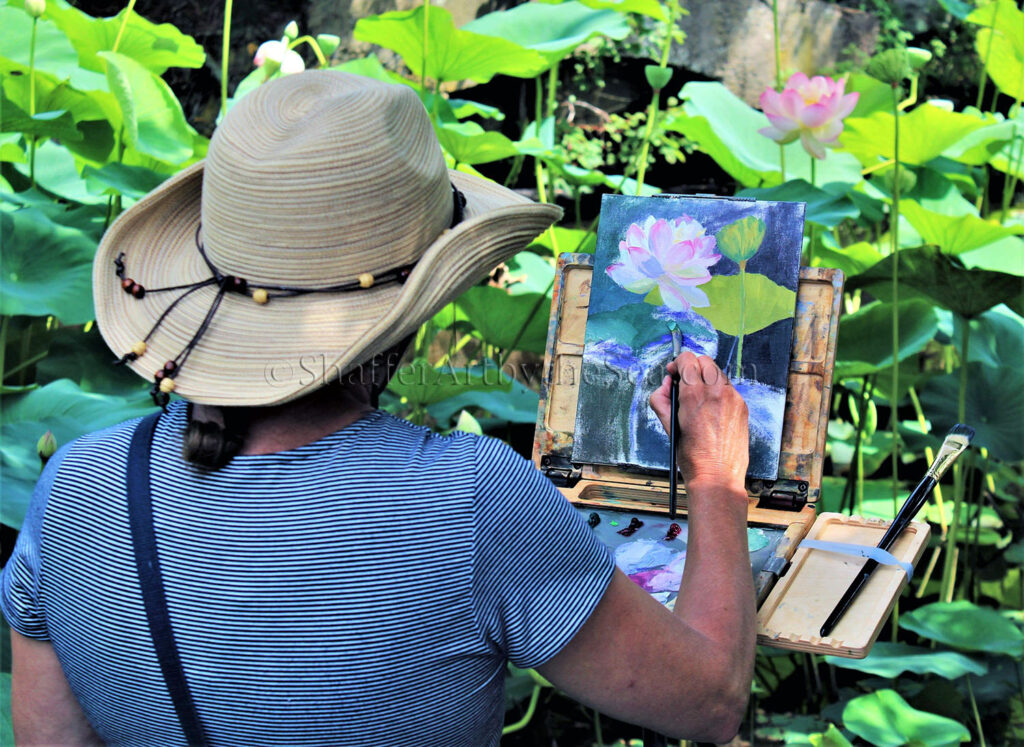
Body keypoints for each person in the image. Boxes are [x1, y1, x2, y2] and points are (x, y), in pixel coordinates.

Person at [1, 71, 754, 746]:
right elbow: (710, 701)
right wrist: (716, 480)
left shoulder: (77, 488)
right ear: (415, 301)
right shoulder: (470, 500)